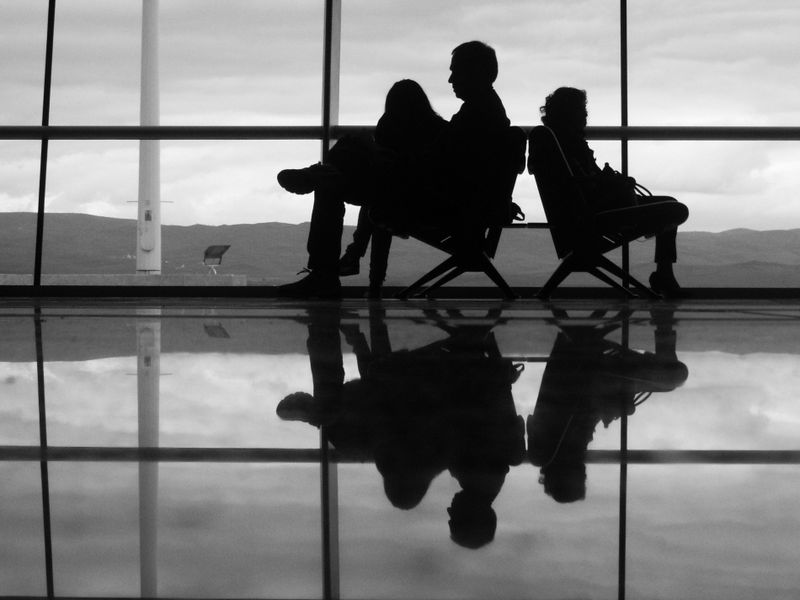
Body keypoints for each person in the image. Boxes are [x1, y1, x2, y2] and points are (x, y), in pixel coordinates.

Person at [276, 41, 510, 298]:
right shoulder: (485, 114)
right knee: (339, 168)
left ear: (476, 72)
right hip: (442, 200)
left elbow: (433, 166)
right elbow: (442, 164)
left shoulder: (475, 118)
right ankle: (318, 178)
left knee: (343, 159)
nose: (450, 79)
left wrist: (384, 156)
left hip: (432, 203)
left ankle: (323, 266)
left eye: (456, 71)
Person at [536, 87, 689, 297]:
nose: (586, 115)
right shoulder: (571, 145)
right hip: (597, 216)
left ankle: (665, 276)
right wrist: (616, 183)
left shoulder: (555, 142)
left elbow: (579, 186)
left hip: (583, 216)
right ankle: (664, 275)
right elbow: (588, 187)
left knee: (669, 204)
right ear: (571, 114)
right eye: (582, 110)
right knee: (675, 209)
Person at [337, 80, 447, 298]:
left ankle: (357, 256)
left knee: (377, 196)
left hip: (407, 203)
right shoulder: (438, 129)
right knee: (379, 195)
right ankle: (366, 272)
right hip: (429, 200)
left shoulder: (390, 126)